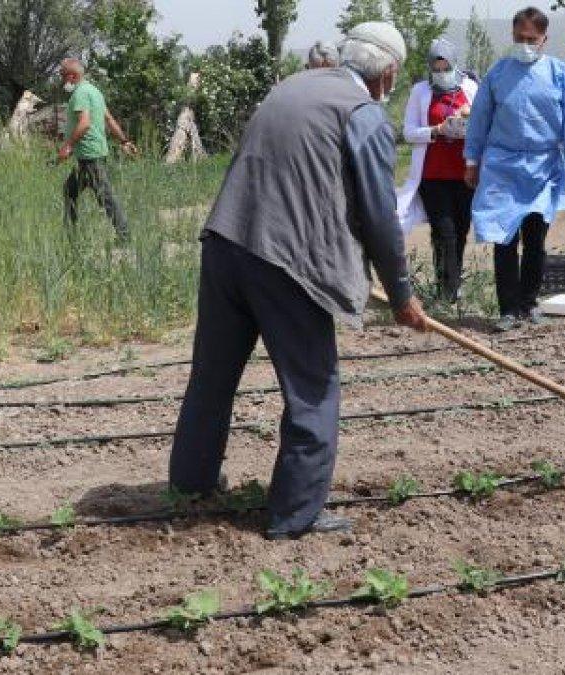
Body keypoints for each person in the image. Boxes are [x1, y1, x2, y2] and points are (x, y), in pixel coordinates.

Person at [169, 22, 430, 541]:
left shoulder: (290, 87)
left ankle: (190, 484)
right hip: (286, 263)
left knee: (212, 377)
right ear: (388, 73)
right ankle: (295, 514)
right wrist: (401, 294)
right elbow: (380, 215)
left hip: (226, 243)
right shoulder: (363, 113)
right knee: (313, 390)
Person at [465, 6, 565, 332]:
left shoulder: (559, 74)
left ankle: (529, 302)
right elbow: (479, 120)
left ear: (544, 39)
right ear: (512, 35)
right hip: (502, 167)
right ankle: (507, 308)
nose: (525, 44)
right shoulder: (497, 74)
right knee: (504, 238)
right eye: (519, 38)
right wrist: (472, 161)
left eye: (531, 39)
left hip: (543, 167)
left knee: (535, 239)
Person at [396, 38, 480, 304]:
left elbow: (484, 124)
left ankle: (453, 285)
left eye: (446, 68)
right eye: (436, 68)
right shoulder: (420, 92)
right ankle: (446, 292)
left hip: (465, 173)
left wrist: (468, 120)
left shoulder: (470, 88)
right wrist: (436, 130)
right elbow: (409, 132)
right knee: (444, 232)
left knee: (461, 230)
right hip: (433, 175)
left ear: (455, 64)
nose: (441, 73)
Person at [58, 58, 137, 243]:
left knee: (105, 197)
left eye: (62, 75)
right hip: (90, 155)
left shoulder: (80, 93)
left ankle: (124, 236)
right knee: (70, 191)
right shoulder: (95, 91)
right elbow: (109, 119)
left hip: (89, 155)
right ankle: (70, 236)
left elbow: (84, 123)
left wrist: (67, 146)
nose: (62, 79)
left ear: (72, 75)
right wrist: (124, 141)